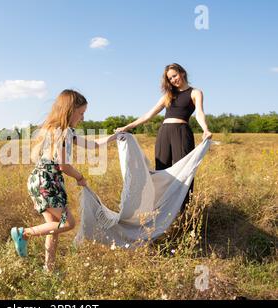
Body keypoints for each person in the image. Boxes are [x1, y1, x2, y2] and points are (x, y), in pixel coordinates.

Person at [11, 89, 118, 272]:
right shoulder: (63, 133)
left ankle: (49, 270)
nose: (83, 118)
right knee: (68, 224)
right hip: (48, 182)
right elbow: (64, 166)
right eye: (81, 113)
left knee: (53, 229)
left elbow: (93, 144)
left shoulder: (56, 130)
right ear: (70, 110)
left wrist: (116, 136)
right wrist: (80, 177)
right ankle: (24, 233)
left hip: (41, 180)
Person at [116, 63, 212, 210]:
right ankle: (161, 210)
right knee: (162, 170)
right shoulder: (168, 95)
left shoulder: (195, 92)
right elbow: (149, 114)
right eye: (170, 78)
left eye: (175, 75)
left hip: (181, 132)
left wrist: (205, 129)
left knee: (184, 171)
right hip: (164, 133)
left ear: (182, 73)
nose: (173, 80)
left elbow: (199, 112)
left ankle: (183, 211)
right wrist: (128, 127)